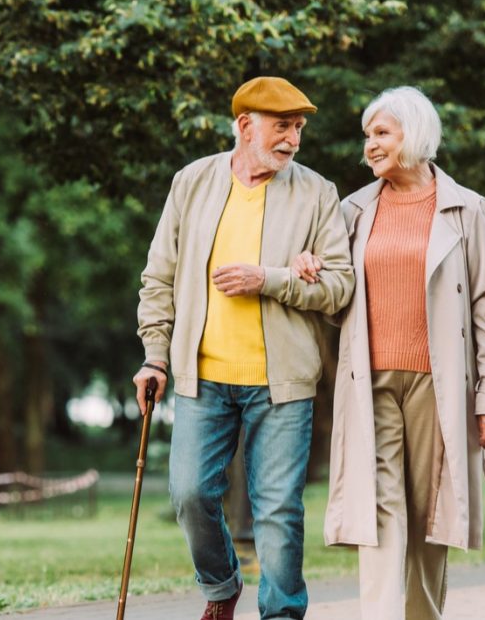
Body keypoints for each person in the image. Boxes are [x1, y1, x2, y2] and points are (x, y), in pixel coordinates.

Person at [133, 76, 354, 620]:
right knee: (189, 495)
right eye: (283, 127)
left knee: (278, 511)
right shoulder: (192, 183)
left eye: (299, 128)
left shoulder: (317, 193)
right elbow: (158, 277)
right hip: (201, 379)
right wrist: (154, 355)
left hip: (282, 384)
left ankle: (281, 614)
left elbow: (340, 288)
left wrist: (270, 278)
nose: (293, 140)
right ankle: (221, 583)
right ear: (245, 125)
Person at [315, 86, 485, 620]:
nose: (370, 146)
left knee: (431, 515)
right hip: (371, 381)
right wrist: (307, 265)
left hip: (439, 382)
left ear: (416, 134)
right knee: (379, 511)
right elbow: (334, 292)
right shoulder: (351, 210)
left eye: (381, 133)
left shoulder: (467, 209)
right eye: (367, 136)